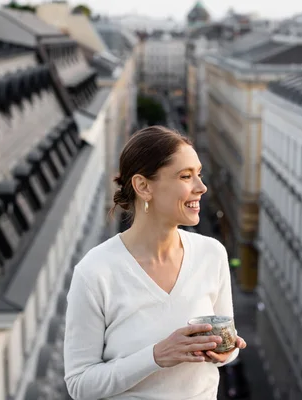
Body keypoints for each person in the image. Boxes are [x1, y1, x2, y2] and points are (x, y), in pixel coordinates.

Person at [64, 126, 247, 400]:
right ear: (143, 186)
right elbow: (80, 384)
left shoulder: (212, 254)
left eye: (199, 174)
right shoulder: (95, 272)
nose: (201, 187)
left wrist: (224, 349)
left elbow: (224, 354)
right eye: (186, 176)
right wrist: (156, 356)